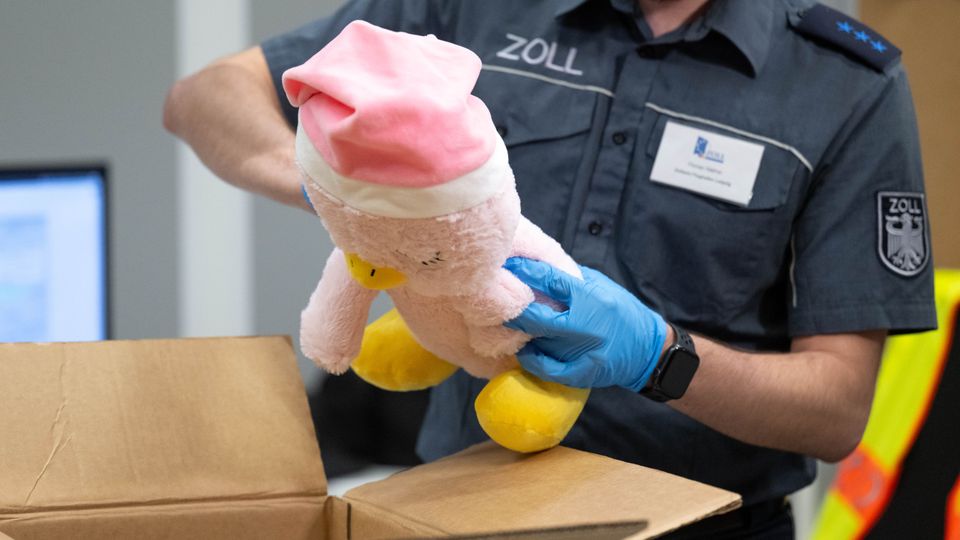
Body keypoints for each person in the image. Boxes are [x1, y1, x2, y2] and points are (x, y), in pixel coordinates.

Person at [163, 0, 936, 536]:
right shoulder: (468, 11)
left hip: (706, 525)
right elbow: (206, 96)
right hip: (465, 512)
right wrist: (340, 193)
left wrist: (661, 358)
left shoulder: (844, 83)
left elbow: (836, 412)